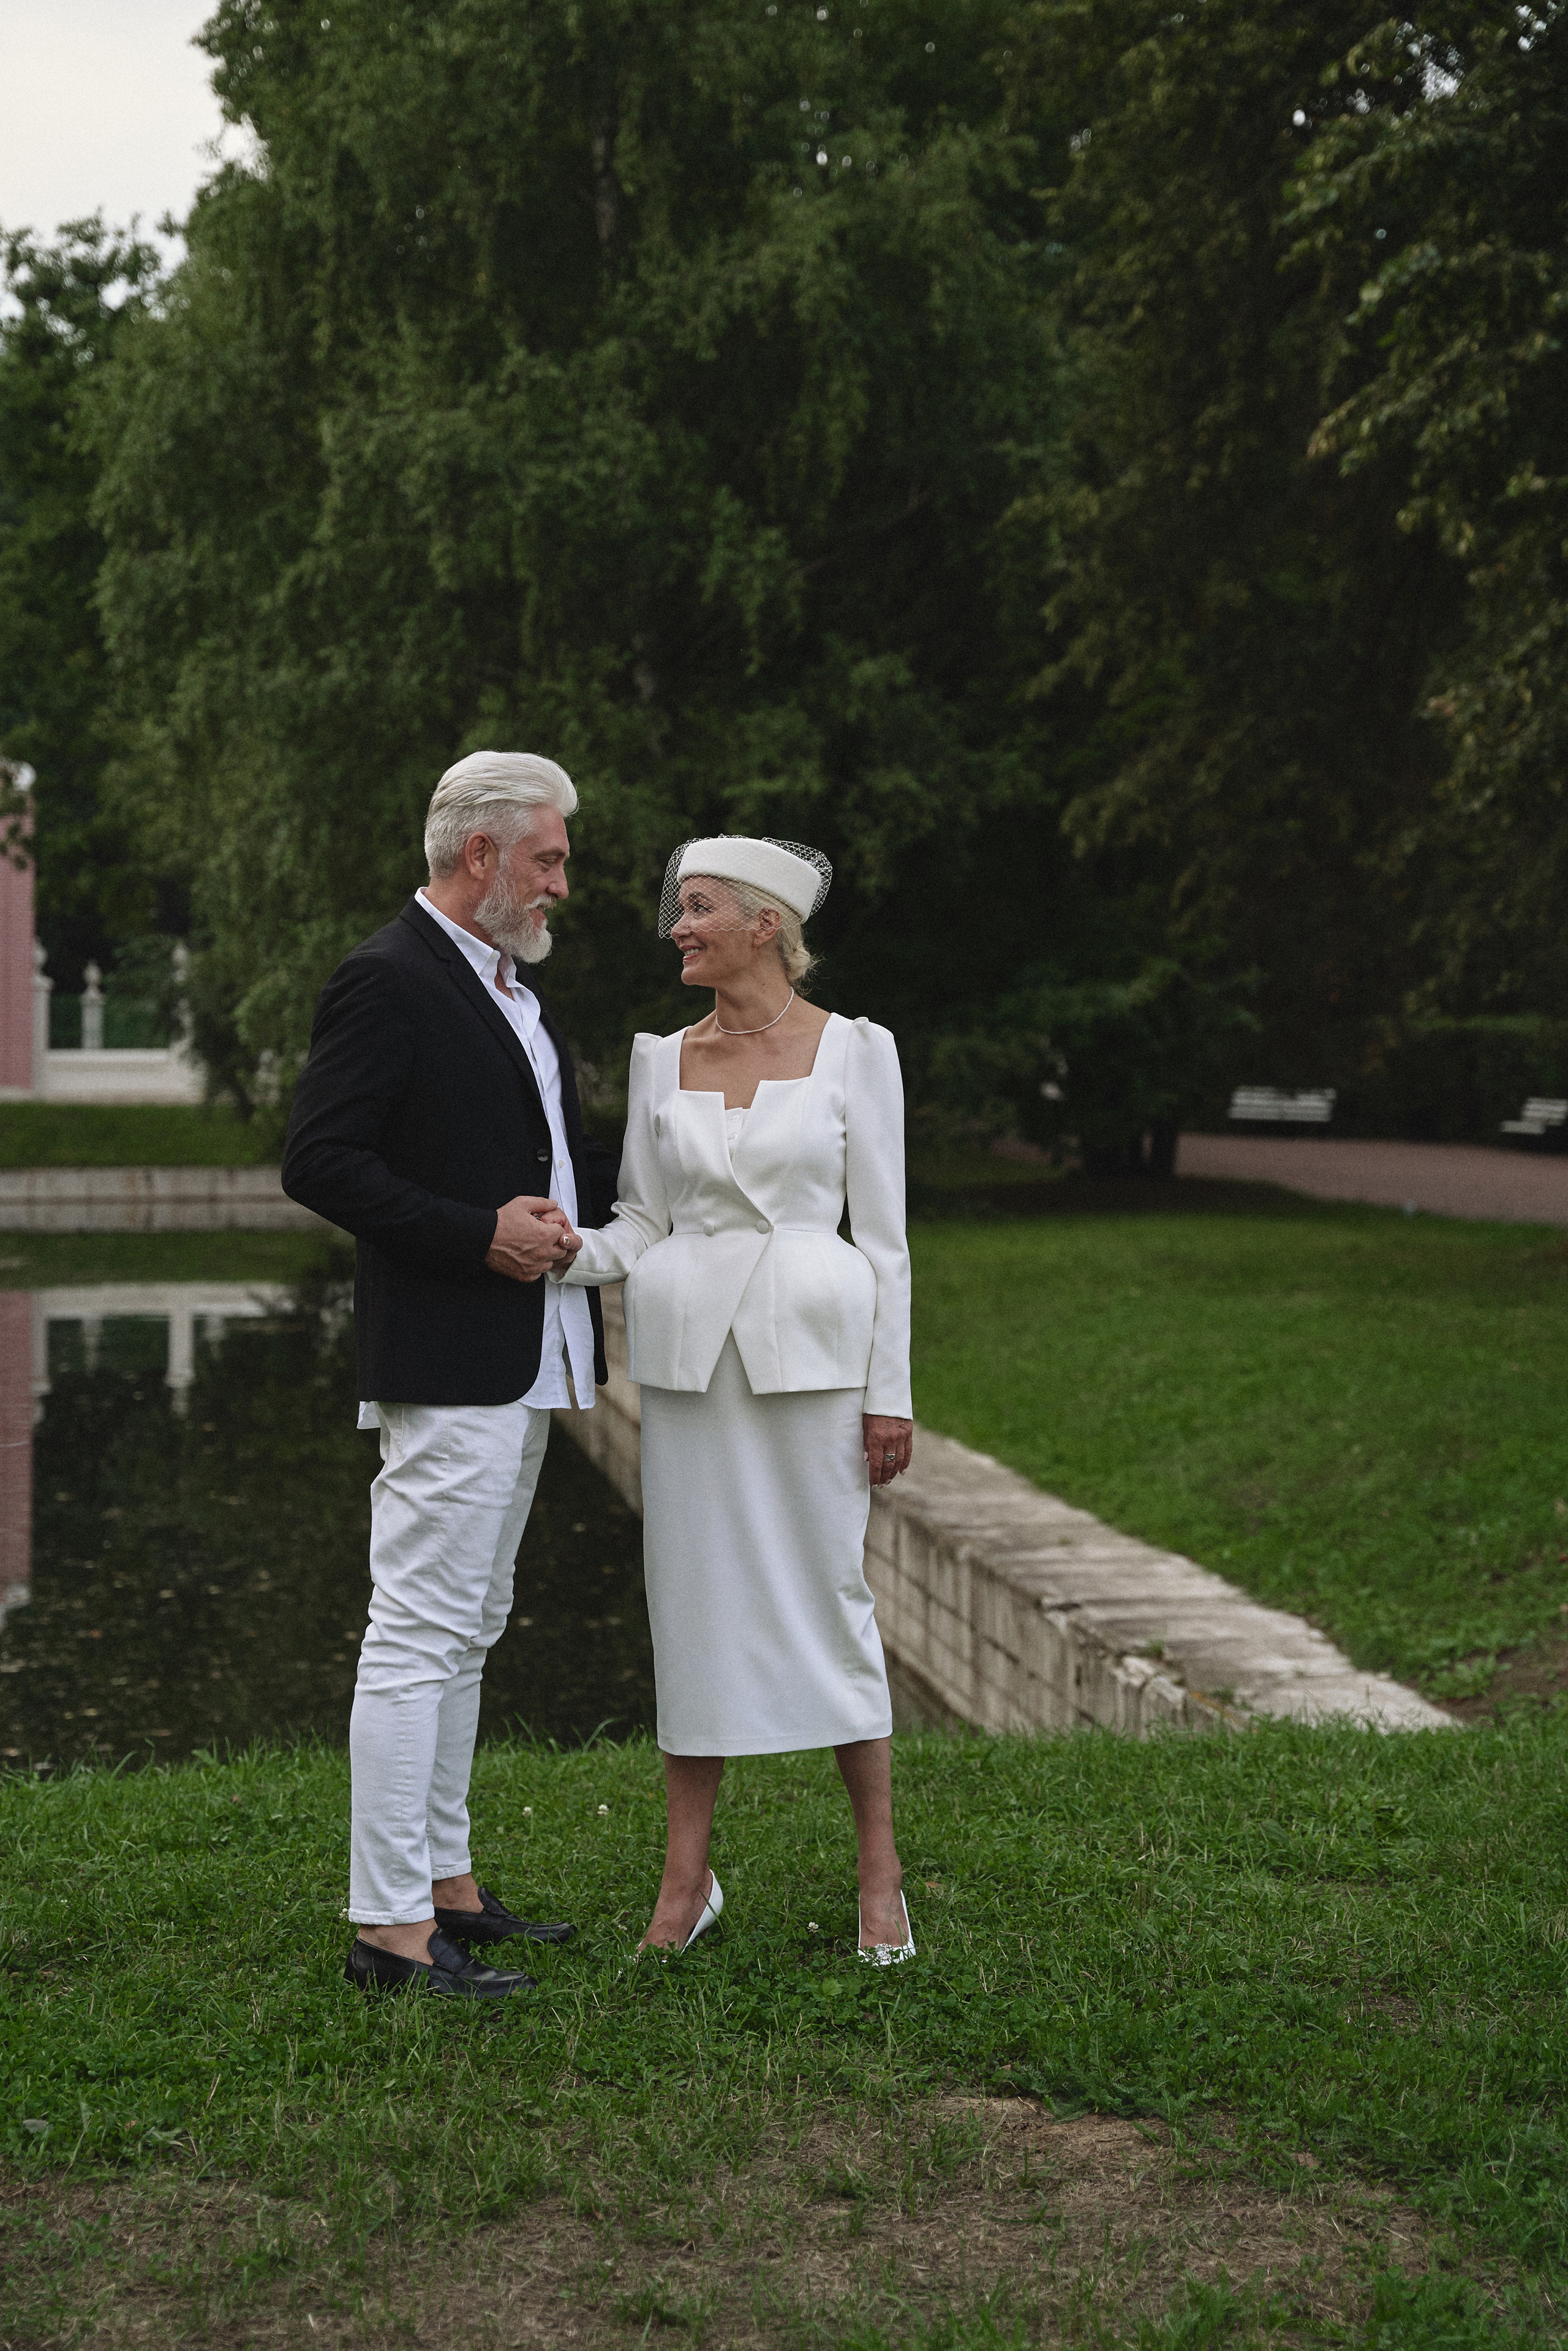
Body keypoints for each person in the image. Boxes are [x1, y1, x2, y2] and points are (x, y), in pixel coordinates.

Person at [282, 750, 619, 1999]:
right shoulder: (388, 976)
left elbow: (563, 1156)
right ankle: (388, 1928)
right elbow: (321, 1160)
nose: (562, 884)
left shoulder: (515, 989)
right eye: (549, 858)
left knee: (471, 1626)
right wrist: (476, 1232)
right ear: (481, 855)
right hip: (449, 1353)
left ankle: (446, 1886)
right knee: (418, 1632)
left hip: (532, 1354)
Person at [553, 834, 916, 1961]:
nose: (678, 926)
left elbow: (886, 1241)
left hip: (817, 1365)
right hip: (690, 1371)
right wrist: (568, 1252)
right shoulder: (660, 1060)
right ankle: (685, 1880)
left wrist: (890, 1394)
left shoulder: (857, 1050)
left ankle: (881, 1872)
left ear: (766, 924)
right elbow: (643, 1219)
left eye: (699, 906)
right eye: (681, 907)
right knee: (691, 1607)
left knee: (831, 1598)